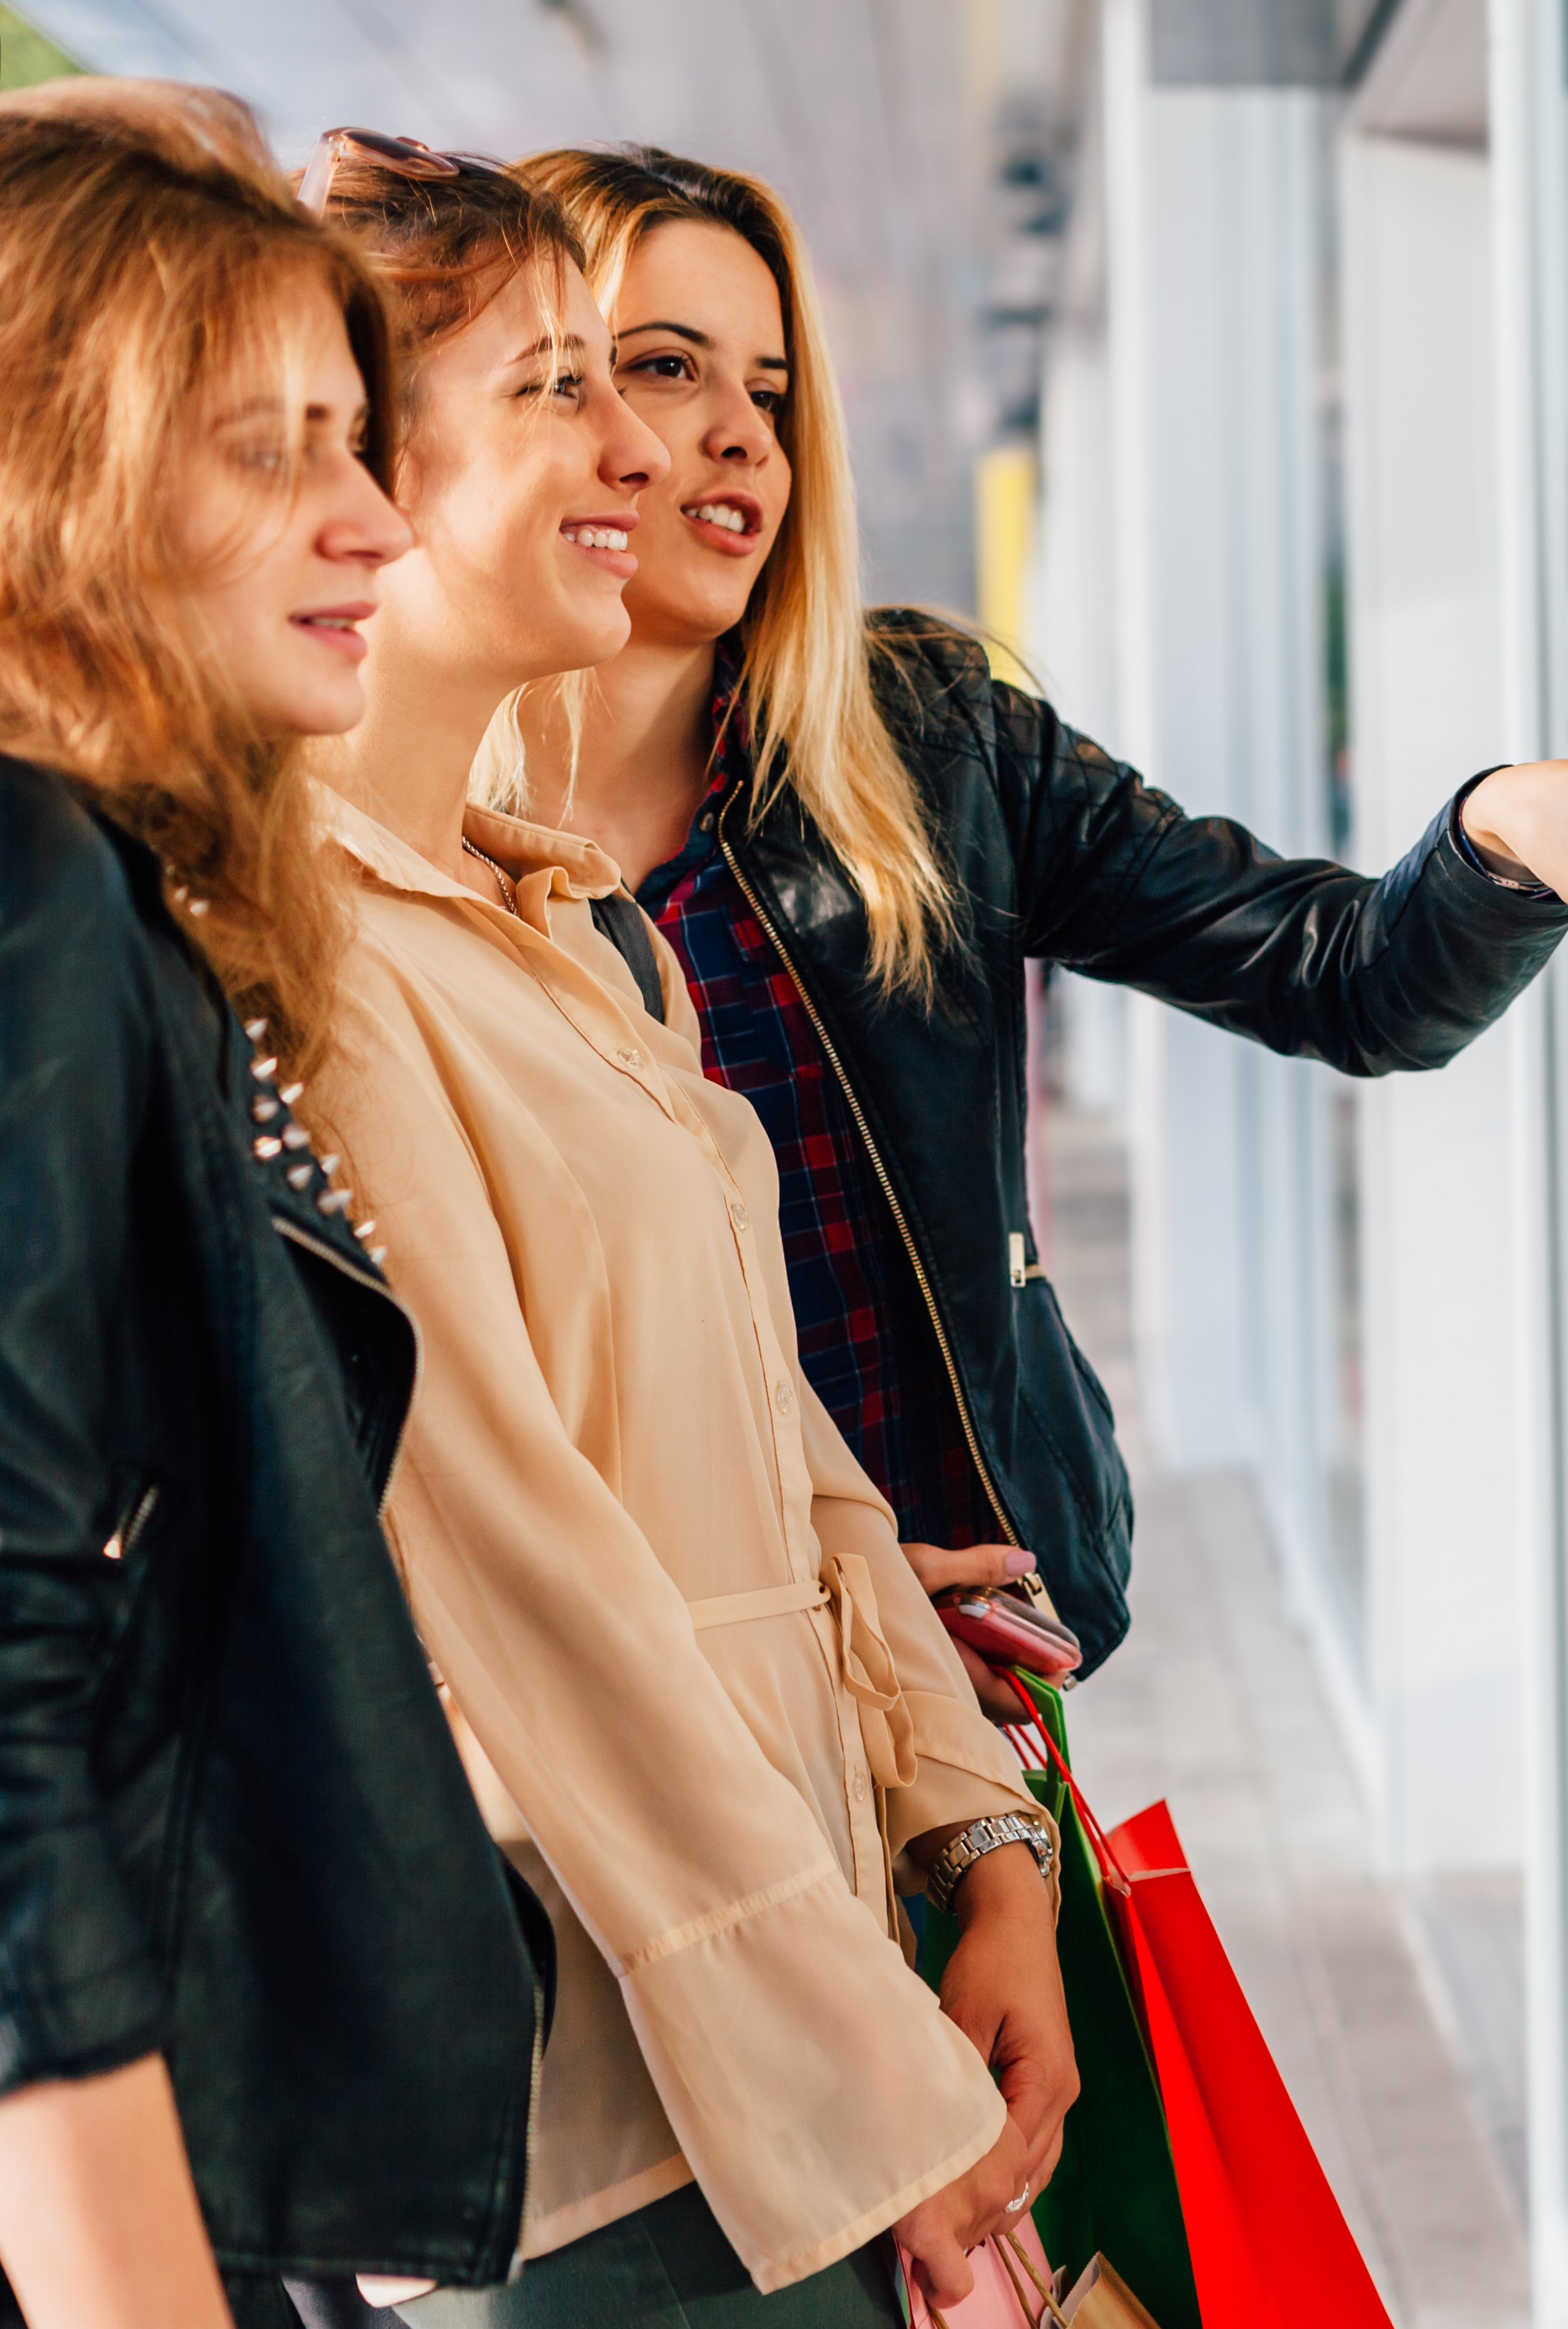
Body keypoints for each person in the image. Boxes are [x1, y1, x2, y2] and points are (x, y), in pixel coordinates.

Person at [499, 144, 1568, 1678]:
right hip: (634, 1680)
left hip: (963, 1648)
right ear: (537, 396)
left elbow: (1344, 979)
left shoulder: (931, 741)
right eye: (666, 368)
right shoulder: (406, 852)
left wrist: (1497, 831)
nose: (741, 439)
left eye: (774, 393)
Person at [295, 135, 1066, 2323]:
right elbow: (534, 1607)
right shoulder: (305, 974)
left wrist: (975, 1846)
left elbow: (793, 1442)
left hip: (809, 2014)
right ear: (355, 468)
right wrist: (874, 2098)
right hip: (620, 2129)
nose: (654, 448)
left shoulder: (565, 928)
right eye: (567, 385)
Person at [0, 88, 543, 2329]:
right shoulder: (37, 890)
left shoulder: (116, 891)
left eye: (358, 436)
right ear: (58, 486)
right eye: (266, 448)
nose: (373, 526)